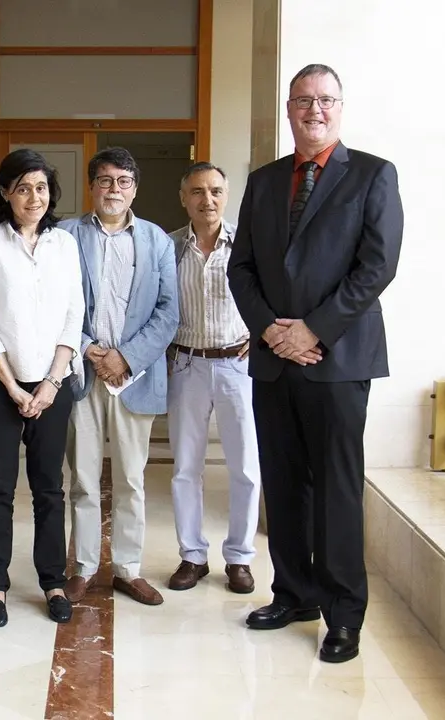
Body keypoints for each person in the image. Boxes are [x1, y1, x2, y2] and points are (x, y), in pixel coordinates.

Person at [227, 63, 403, 663]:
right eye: (303, 100)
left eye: (325, 99)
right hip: (276, 360)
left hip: (339, 358)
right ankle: (294, 594)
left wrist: (314, 329)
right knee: (283, 482)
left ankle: (343, 614)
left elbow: (376, 268)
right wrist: (274, 332)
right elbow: (241, 267)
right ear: (288, 109)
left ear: (340, 106)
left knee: (336, 490)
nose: (314, 110)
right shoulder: (264, 180)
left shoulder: (374, 175)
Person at [0, 148, 83, 627]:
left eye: (41, 187)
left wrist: (52, 383)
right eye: (22, 188)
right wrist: (14, 388)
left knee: (48, 488)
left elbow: (74, 314)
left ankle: (52, 580)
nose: (33, 196)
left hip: (52, 383)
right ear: (5, 193)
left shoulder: (65, 244)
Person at [61, 147, 178, 607]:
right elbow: (53, 302)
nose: (114, 189)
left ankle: (128, 568)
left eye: (123, 182)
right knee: (84, 478)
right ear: (92, 186)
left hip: (135, 376)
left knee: (131, 479)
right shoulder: (65, 235)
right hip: (83, 374)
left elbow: (169, 313)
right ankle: (85, 567)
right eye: (106, 180)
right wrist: (91, 348)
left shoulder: (157, 241)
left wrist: (125, 358)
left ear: (135, 189)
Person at [166, 162, 260, 595]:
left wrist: (260, 335)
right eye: (198, 192)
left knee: (244, 467)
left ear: (227, 195)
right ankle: (193, 556)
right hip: (187, 364)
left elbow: (275, 293)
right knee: (186, 467)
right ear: (184, 197)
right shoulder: (170, 248)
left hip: (238, 365)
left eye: (217, 191)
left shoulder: (249, 244)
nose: (209, 200)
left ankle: (239, 558)